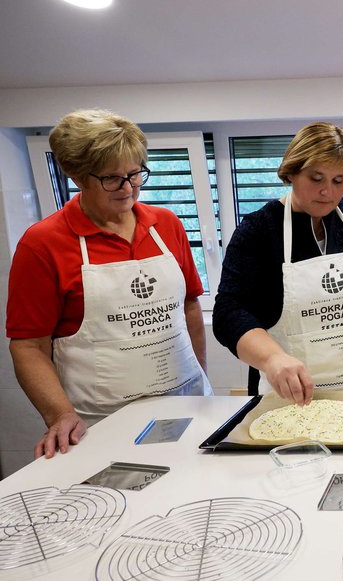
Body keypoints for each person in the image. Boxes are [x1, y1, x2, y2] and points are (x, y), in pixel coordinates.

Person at [6, 109, 210, 458]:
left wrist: (203, 378)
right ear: (78, 176)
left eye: (135, 174)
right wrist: (59, 414)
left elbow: (190, 305)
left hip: (185, 402)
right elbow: (28, 346)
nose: (129, 188)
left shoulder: (166, 224)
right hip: (102, 419)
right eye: (112, 179)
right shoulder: (43, 243)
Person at [212, 122, 343, 403]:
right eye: (316, 178)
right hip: (296, 394)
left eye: (338, 181)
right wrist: (272, 359)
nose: (327, 192)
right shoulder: (259, 231)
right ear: (292, 172)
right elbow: (228, 313)